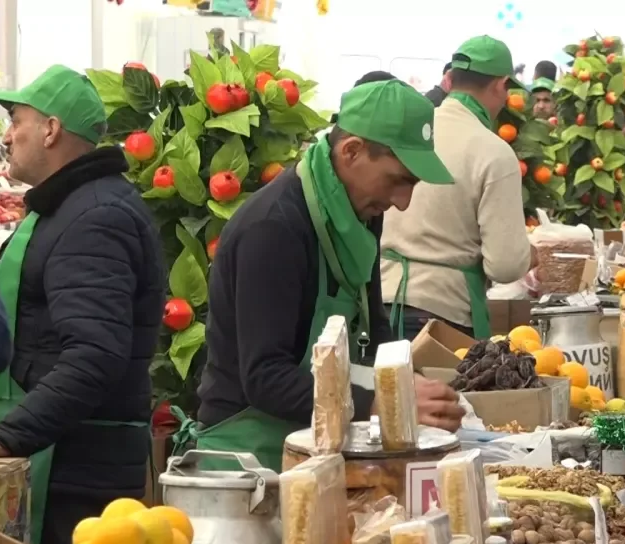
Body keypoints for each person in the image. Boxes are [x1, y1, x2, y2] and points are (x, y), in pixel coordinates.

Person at [192, 79, 464, 471]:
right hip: (251, 457)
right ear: (351, 150)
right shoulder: (274, 228)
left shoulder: (361, 213)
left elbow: (373, 328)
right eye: (398, 180)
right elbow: (266, 377)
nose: (402, 202)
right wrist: (380, 403)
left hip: (324, 446)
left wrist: (408, 384)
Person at [0, 65, 164, 544]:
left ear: (51, 129)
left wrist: (6, 438)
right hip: (63, 460)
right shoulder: (68, 207)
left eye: (16, 118)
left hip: (77, 480)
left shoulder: (94, 218)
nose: (8, 134)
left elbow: (94, 353)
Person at [381, 36, 531, 341]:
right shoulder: (493, 151)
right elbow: (505, 266)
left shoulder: (412, 132)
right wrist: (531, 255)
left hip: (379, 304)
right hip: (442, 316)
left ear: (451, 79)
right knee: (439, 391)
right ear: (501, 85)